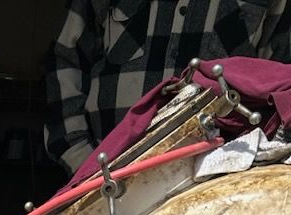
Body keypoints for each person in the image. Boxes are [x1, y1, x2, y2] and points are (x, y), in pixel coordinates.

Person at [45, 0, 291, 174]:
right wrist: (82, 162)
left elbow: (281, 87)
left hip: (217, 190)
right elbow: (66, 60)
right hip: (103, 187)